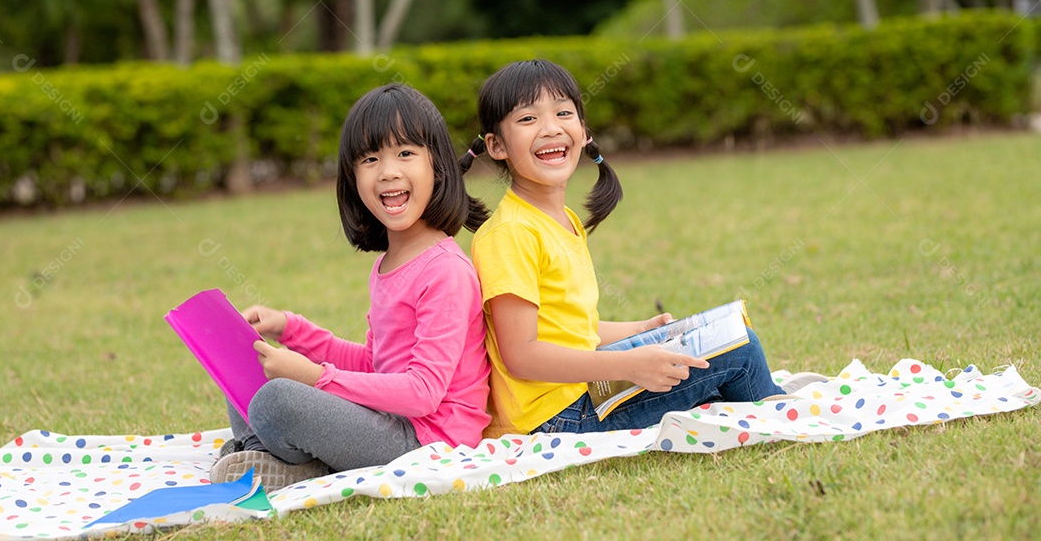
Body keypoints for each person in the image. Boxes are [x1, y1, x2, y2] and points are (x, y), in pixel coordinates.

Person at [461, 59, 821, 437]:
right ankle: (780, 419)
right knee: (741, 350)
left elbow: (567, 329)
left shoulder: (559, 219)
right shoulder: (509, 234)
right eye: (528, 119)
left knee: (717, 335)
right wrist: (627, 365)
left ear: (583, 132)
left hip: (576, 395)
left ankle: (742, 404)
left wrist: (643, 329)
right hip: (556, 419)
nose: (551, 128)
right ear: (496, 145)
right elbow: (522, 355)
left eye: (563, 112)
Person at [211, 84, 492, 489]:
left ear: (439, 166)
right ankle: (268, 456)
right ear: (353, 179)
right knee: (246, 358)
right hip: (385, 421)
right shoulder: (387, 264)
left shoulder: (445, 270)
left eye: (406, 154)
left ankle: (273, 458)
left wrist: (315, 377)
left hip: (426, 441)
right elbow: (372, 367)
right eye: (370, 158)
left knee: (279, 400)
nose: (388, 171)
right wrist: (290, 329)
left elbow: (423, 393)